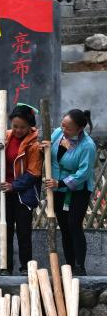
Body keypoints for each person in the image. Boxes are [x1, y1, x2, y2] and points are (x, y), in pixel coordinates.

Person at [0, 104, 42, 273]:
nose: (18, 130)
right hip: (4, 191)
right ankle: (5, 267)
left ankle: (26, 268)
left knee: (23, 232)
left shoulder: (34, 145)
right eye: (15, 126)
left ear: (30, 126)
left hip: (23, 194)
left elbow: (33, 173)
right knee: (4, 230)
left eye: (22, 127)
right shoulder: (5, 136)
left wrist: (14, 186)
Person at [47, 108, 96, 275]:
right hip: (57, 187)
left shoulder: (87, 145)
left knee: (74, 224)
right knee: (64, 227)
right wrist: (43, 147)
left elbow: (84, 173)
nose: (63, 129)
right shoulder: (57, 134)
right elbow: (49, 154)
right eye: (62, 125)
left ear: (79, 129)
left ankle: (79, 266)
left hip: (78, 190)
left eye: (68, 128)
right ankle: (69, 265)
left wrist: (61, 182)